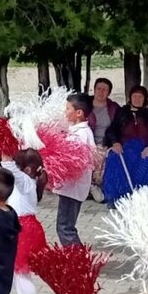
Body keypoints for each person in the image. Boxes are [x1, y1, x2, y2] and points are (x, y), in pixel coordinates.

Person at [2, 148, 50, 294]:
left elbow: (9, 169)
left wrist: (5, 154)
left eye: (17, 163)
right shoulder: (27, 181)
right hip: (21, 228)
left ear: (27, 169)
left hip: (25, 231)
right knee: (18, 273)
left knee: (23, 275)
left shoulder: (26, 182)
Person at [54, 93, 95, 246]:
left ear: (79, 113)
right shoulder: (75, 130)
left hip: (73, 188)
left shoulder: (82, 134)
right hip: (69, 188)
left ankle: (78, 262)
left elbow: (76, 162)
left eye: (67, 108)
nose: (65, 112)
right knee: (64, 226)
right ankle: (76, 261)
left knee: (65, 228)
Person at [87, 78, 121, 203]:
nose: (101, 92)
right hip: (87, 140)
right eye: (98, 89)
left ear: (109, 93)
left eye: (104, 90)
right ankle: (91, 186)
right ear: (94, 89)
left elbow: (117, 127)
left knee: (103, 153)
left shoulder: (114, 108)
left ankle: (95, 186)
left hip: (106, 141)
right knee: (93, 153)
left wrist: (113, 142)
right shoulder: (85, 105)